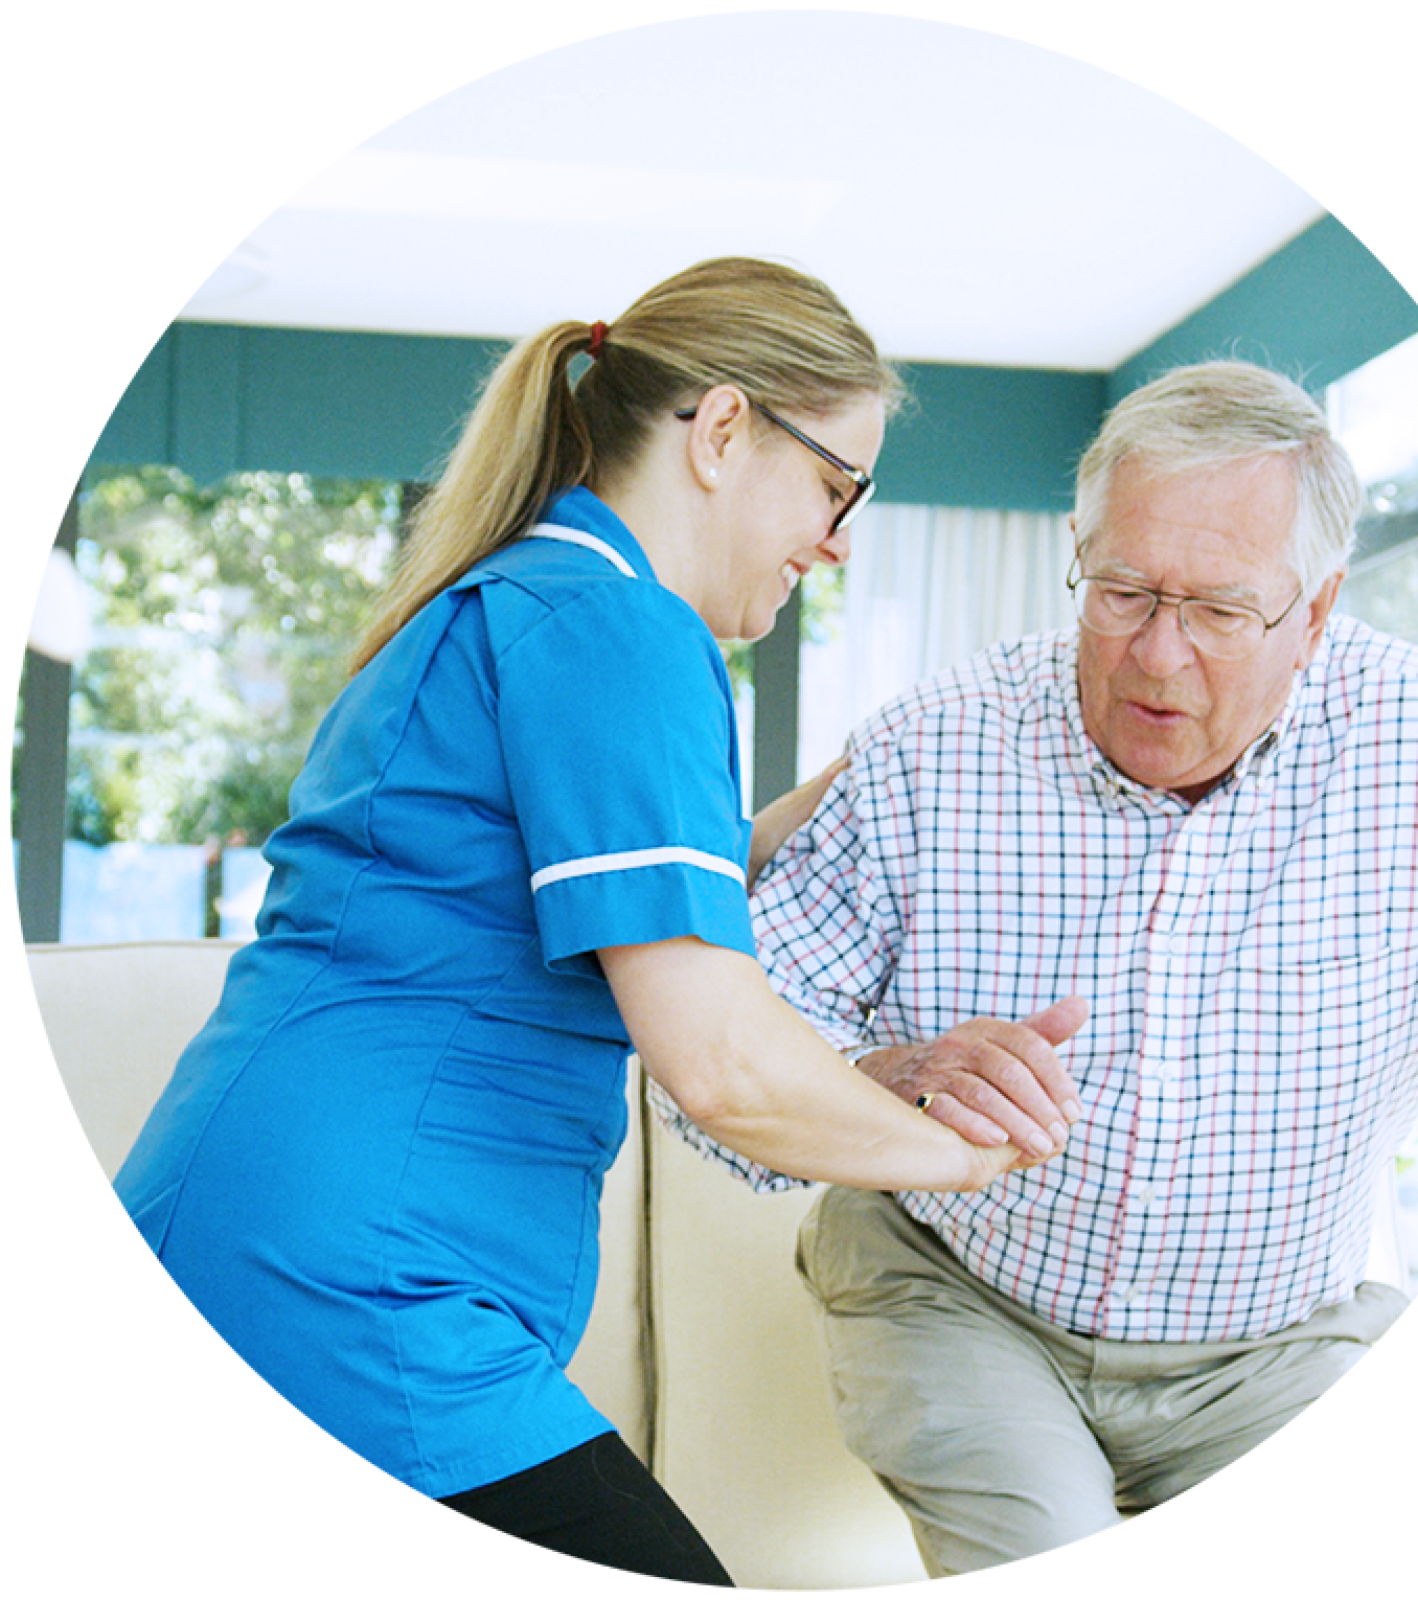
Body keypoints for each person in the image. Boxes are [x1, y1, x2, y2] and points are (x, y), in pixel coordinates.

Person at [110, 257, 1076, 1587]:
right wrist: (980, 1168)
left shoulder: (540, 596)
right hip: (353, 1286)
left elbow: (617, 885)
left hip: (281, 1235)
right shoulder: (619, 628)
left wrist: (873, 777)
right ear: (724, 431)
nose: (840, 539)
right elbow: (723, 1067)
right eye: (835, 486)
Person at [657, 359, 1418, 1576]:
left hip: (1276, 1352)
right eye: (1123, 592)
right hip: (957, 1297)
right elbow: (722, 1087)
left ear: (1314, 615)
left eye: (1217, 610)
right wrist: (893, 1076)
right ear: (1076, 556)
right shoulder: (935, 746)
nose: (1156, 655)